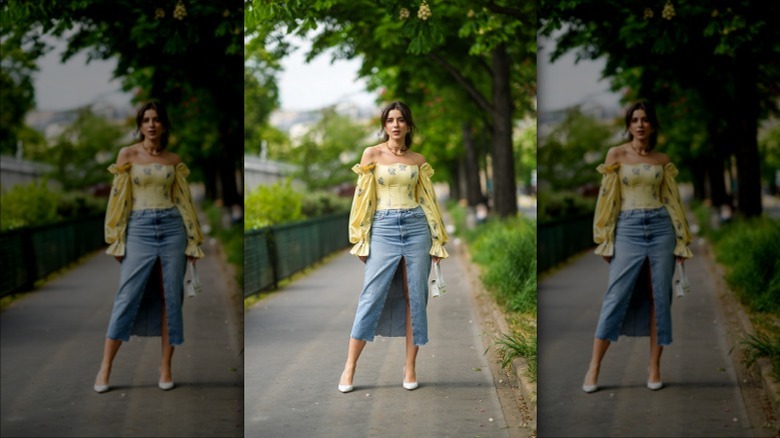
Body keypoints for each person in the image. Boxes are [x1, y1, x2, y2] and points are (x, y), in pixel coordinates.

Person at [337, 101, 449, 393]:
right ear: (384, 125)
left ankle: (410, 367)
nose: (396, 125)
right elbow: (362, 198)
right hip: (383, 228)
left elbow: (428, 201)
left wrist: (437, 239)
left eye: (400, 120)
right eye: (390, 120)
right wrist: (360, 237)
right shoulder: (372, 154)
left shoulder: (418, 160)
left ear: (409, 125)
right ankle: (350, 367)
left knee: (416, 296)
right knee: (371, 296)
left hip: (416, 227)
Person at [94, 101, 204, 393]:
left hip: (172, 228)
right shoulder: (127, 155)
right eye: (146, 120)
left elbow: (184, 201)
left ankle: (165, 366)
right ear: (140, 125)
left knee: (172, 297)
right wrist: (115, 237)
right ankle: (105, 368)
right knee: (126, 296)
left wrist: (193, 240)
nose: (151, 125)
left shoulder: (173, 160)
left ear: (164, 125)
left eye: (156, 119)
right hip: (138, 228)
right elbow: (117, 198)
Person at [584, 101, 693, 393]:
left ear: (653, 125)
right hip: (627, 228)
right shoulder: (616, 155)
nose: (640, 125)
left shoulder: (662, 160)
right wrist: (604, 237)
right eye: (635, 120)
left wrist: (682, 240)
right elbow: (606, 198)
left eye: (645, 119)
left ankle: (654, 367)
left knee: (661, 296)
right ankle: (594, 367)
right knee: (615, 296)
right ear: (629, 125)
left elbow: (673, 201)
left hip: (661, 228)